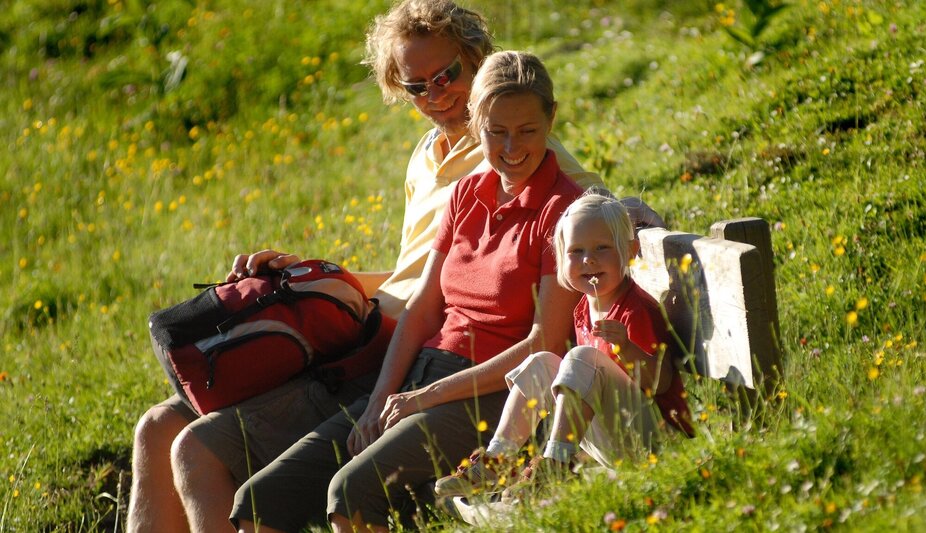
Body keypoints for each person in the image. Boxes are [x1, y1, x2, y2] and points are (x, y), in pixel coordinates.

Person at [126, 1, 608, 531]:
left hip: (394, 352)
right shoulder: (432, 158)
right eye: (416, 86)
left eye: (446, 75)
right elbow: (413, 278)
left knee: (198, 447)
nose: (435, 94)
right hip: (375, 337)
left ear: (477, 61)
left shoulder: (511, 140)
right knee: (158, 425)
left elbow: (585, 205)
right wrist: (310, 281)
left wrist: (626, 214)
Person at [231, 49, 587, 532]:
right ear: (475, 124)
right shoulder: (466, 193)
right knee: (259, 500)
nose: (512, 147)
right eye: (496, 131)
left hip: (492, 392)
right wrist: (381, 399)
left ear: (551, 118)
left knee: (352, 492)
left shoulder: (563, 210)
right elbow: (422, 308)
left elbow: (544, 342)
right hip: (421, 373)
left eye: (527, 130)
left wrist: (424, 398)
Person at [433, 192, 694, 502]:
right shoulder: (584, 307)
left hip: (658, 441)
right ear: (560, 258)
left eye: (602, 248)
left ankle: (556, 465)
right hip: (616, 439)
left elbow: (660, 383)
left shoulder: (634, 309)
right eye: (576, 251)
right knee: (541, 362)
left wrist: (626, 347)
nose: (589, 259)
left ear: (629, 250)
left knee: (581, 357)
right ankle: (497, 460)